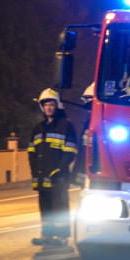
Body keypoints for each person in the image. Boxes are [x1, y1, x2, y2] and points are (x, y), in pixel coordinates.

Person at [28, 88, 78, 247]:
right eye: (46, 105)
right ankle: (47, 235)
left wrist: (59, 169)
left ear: (57, 106)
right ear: (42, 107)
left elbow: (70, 151)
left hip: (59, 176)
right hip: (42, 176)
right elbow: (32, 152)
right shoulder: (38, 128)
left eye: (52, 104)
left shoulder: (66, 125)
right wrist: (35, 173)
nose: (49, 108)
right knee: (46, 208)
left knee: (60, 207)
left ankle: (62, 237)